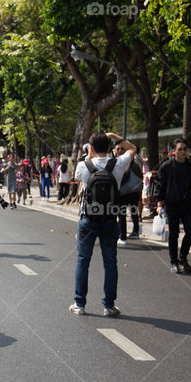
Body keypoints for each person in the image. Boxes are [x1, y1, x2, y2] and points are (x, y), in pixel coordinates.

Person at [71, 132, 137, 316]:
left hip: (88, 219)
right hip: (110, 219)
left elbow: (78, 179)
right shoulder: (119, 164)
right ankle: (109, 305)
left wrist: (89, 155)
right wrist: (115, 135)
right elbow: (133, 149)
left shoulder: (83, 165)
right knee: (110, 262)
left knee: (83, 261)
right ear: (109, 147)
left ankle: (80, 304)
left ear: (91, 148)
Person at [153, 139, 191, 273]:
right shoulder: (166, 166)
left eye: (185, 149)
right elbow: (159, 186)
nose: (183, 152)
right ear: (174, 151)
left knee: (190, 231)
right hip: (172, 204)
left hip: (188, 205)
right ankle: (174, 261)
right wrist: (159, 205)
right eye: (180, 149)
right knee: (173, 234)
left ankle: (183, 257)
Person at [116, 145, 144, 245]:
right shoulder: (137, 161)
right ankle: (135, 231)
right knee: (133, 210)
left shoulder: (122, 162)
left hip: (124, 191)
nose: (119, 151)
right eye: (118, 149)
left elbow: (122, 177)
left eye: (122, 149)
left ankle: (122, 236)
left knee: (122, 213)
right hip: (135, 190)